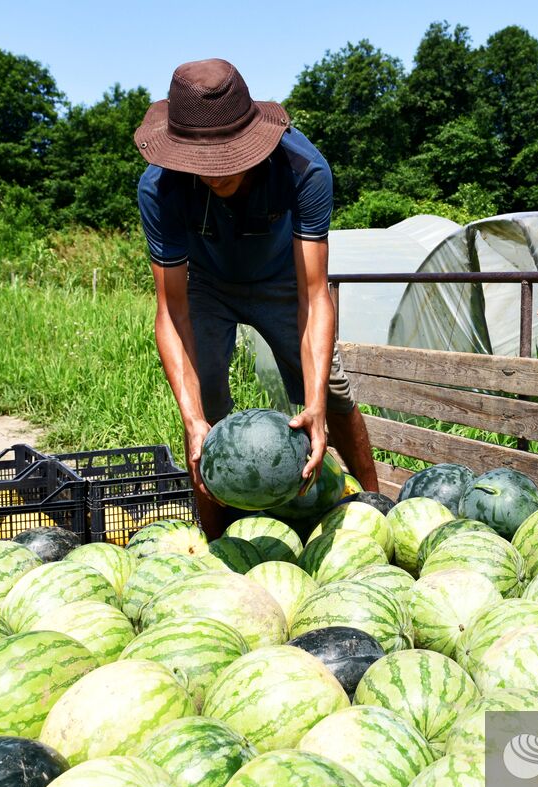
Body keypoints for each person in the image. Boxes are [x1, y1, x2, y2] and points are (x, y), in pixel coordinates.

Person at [133, 58, 378, 537]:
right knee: (204, 410)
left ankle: (376, 506)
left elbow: (314, 295)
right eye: (200, 162)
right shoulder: (159, 189)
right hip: (205, 284)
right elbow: (172, 310)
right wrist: (192, 418)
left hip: (283, 280)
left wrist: (315, 405)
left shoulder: (304, 169)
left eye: (227, 157)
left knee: (330, 393)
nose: (214, 173)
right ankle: (219, 542)